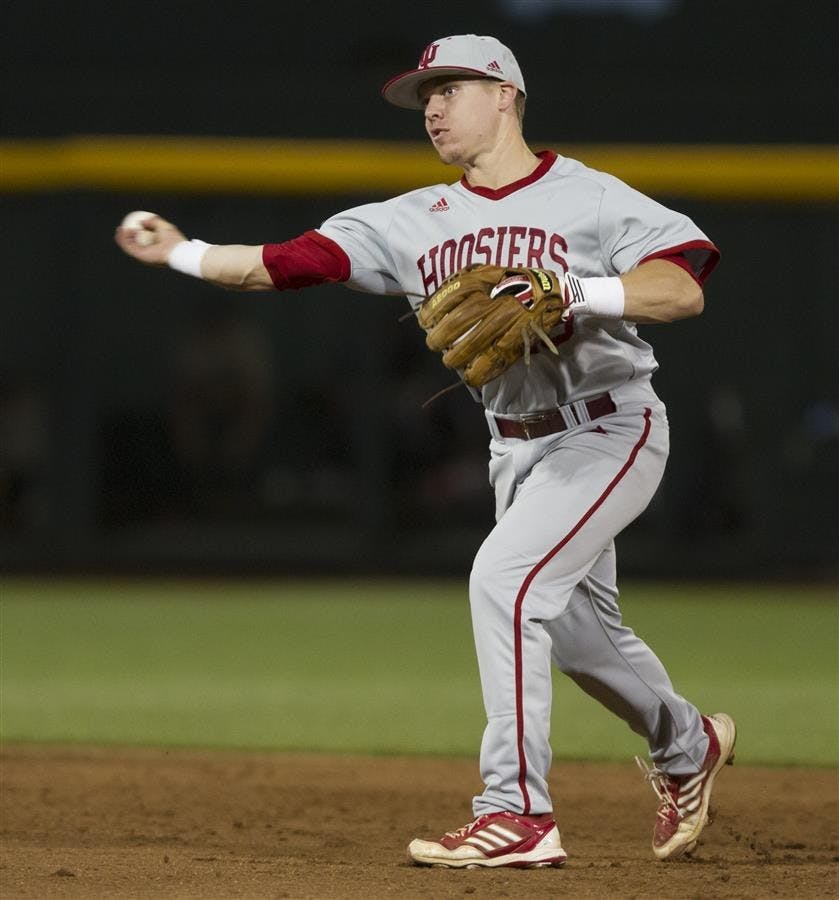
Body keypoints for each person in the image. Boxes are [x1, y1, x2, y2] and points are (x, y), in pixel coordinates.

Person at [115, 33, 735, 869]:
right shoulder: (410, 221)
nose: (432, 107)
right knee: (582, 640)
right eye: (423, 97)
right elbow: (280, 265)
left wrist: (572, 292)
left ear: (506, 93)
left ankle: (515, 812)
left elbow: (681, 285)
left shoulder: (587, 198)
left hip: (609, 428)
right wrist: (180, 252)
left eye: (449, 88)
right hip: (513, 453)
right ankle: (688, 744)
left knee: (505, 581)